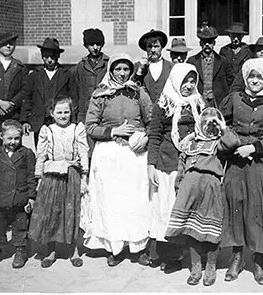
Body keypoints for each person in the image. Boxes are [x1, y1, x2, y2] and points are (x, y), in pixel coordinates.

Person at [219, 58, 263, 285]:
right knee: (235, 203)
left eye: (259, 77)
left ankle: (258, 259)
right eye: (251, 77)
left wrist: (254, 147)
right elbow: (221, 122)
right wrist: (232, 142)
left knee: (258, 208)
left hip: (262, 162)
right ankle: (236, 257)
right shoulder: (235, 98)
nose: (255, 81)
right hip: (237, 161)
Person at [84, 54, 152, 266]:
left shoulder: (138, 92)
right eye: (118, 69)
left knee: (136, 200)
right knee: (112, 201)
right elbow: (90, 126)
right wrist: (114, 130)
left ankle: (138, 248)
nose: (122, 74)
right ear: (111, 70)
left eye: (126, 69)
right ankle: (114, 248)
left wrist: (147, 138)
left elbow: (152, 121)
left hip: (135, 154)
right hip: (109, 153)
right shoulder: (101, 94)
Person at [165, 107, 241, 286]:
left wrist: (223, 128)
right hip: (189, 189)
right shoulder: (190, 143)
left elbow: (233, 142)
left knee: (210, 229)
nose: (210, 126)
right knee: (190, 228)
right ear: (199, 123)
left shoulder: (220, 144)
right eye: (206, 122)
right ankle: (196, 266)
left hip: (210, 188)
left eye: (214, 123)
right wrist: (178, 186)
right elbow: (181, 166)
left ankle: (211, 266)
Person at [146, 63, 206, 271]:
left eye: (192, 81)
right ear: (175, 80)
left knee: (188, 210)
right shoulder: (164, 104)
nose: (189, 86)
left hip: (192, 163)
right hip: (168, 164)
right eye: (185, 81)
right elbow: (154, 135)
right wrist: (151, 165)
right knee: (168, 208)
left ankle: (188, 254)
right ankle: (168, 255)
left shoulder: (198, 104)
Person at [28, 96, 89, 268]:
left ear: (72, 112)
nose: (63, 115)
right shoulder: (47, 130)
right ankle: (51, 251)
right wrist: (39, 178)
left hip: (72, 174)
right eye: (59, 112)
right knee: (52, 213)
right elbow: (41, 155)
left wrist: (84, 177)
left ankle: (74, 251)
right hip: (52, 176)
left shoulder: (77, 129)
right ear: (52, 113)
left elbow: (83, 153)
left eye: (66, 112)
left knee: (72, 213)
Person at [0, 120, 37, 269]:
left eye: (16, 138)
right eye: (9, 138)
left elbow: (31, 176)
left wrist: (31, 197)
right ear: (1, 136)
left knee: (20, 226)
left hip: (19, 197)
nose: (13, 142)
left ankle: (20, 250)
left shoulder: (26, 153)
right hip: (0, 197)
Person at [21, 38, 73, 146]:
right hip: (39, 122)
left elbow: (73, 98)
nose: (49, 60)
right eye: (46, 57)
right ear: (41, 56)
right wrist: (24, 120)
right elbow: (27, 98)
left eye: (52, 57)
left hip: (60, 122)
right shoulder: (34, 75)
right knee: (41, 152)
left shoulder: (67, 75)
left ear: (58, 56)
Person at [0, 32, 28, 147]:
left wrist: (11, 103)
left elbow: (25, 89)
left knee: (14, 145)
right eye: (5, 44)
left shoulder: (20, 67)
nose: (8, 46)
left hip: (13, 114)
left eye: (11, 44)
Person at [187, 26, 234, 108]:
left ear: (214, 43)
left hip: (218, 102)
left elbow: (230, 83)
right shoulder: (192, 61)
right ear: (200, 44)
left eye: (210, 42)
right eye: (204, 42)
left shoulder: (223, 61)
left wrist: (226, 101)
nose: (207, 44)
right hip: (198, 101)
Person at [71, 28, 109, 124]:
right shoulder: (80, 66)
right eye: (91, 45)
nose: (95, 47)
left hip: (104, 112)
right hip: (85, 113)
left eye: (98, 44)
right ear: (86, 46)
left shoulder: (108, 64)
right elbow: (75, 92)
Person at [132, 29, 173, 103]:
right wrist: (139, 72)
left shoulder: (171, 67)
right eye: (150, 47)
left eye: (156, 46)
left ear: (161, 47)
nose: (153, 50)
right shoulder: (136, 66)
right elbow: (132, 90)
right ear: (146, 49)